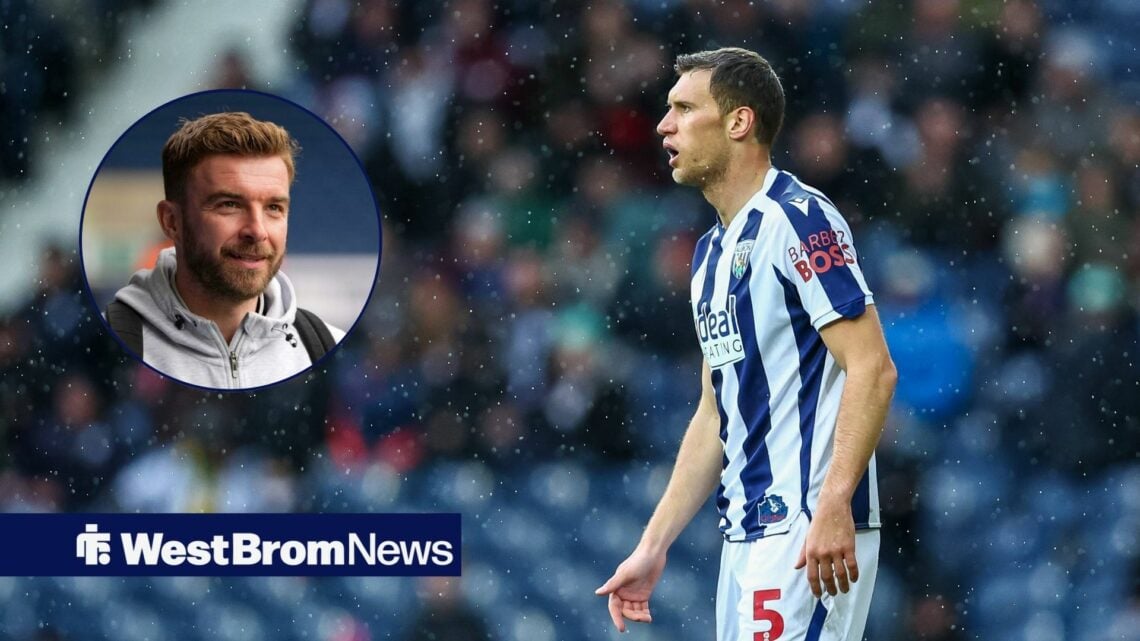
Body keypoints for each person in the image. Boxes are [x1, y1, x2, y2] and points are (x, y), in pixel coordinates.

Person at [596, 48, 897, 640]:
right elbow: (716, 410)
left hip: (807, 526)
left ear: (739, 122)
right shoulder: (709, 254)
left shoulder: (799, 218)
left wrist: (835, 501)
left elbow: (873, 368)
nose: (664, 125)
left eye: (683, 108)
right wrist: (653, 545)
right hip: (745, 532)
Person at [105, 112, 343, 389]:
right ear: (172, 222)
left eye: (274, 208)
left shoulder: (325, 344)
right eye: (229, 204)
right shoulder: (116, 341)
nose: (257, 230)